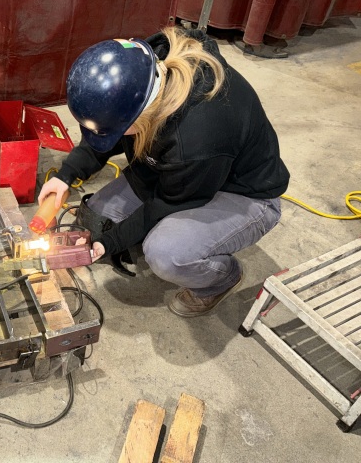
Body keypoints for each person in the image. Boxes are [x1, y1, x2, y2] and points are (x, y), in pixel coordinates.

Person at [35, 29, 288, 317]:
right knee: (96, 219)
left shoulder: (196, 136)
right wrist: (65, 175)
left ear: (142, 114)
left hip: (244, 193)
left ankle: (221, 278)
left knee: (165, 254)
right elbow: (106, 133)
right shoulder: (144, 73)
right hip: (179, 172)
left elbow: (168, 202)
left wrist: (112, 241)